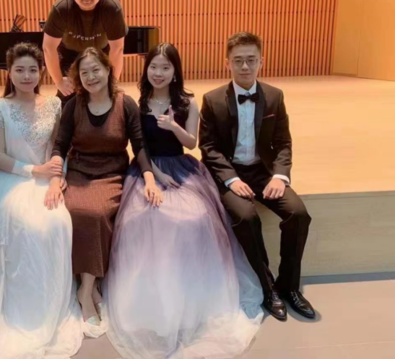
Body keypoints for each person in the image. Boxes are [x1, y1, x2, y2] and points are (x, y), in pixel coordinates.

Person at [104, 43, 263, 359]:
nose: (158, 73)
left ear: (175, 71)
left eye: (166, 67)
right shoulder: (138, 103)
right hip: (148, 170)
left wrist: (173, 126)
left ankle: (191, 298)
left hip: (181, 167)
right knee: (142, 218)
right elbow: (137, 145)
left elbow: (191, 143)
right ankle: (151, 299)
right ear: (146, 70)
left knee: (195, 217)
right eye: (153, 66)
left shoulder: (187, 103)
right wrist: (155, 175)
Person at [199, 32, 316, 321]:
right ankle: (267, 288)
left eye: (251, 60)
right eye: (238, 60)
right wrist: (231, 179)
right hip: (230, 173)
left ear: (261, 61)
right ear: (227, 63)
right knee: (247, 217)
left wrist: (280, 176)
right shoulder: (212, 100)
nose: (245, 66)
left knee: (299, 215)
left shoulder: (274, 96)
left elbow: (283, 143)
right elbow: (209, 148)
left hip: (264, 172)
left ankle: (289, 286)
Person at [48, 47, 162, 336]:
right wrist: (55, 177)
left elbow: (139, 146)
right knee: (76, 211)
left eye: (95, 70)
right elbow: (60, 145)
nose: (90, 77)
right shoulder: (73, 105)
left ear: (108, 70)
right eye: (84, 72)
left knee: (97, 214)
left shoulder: (125, 104)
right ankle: (90, 286)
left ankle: (85, 290)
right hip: (79, 172)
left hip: (111, 174)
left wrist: (149, 178)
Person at [0, 43, 83, 358]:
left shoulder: (53, 104)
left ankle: (52, 303)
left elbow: (58, 148)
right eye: (19, 70)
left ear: (41, 71)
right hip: (11, 178)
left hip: (47, 177)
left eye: (32, 69)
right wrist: (33, 171)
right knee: (25, 225)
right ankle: (24, 310)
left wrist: (55, 179)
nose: (26, 76)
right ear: (9, 72)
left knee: (57, 221)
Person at [43, 0, 128, 107]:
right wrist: (59, 81)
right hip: (70, 56)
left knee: (104, 100)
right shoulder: (62, 8)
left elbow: (117, 49)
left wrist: (111, 84)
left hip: (101, 54)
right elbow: (48, 47)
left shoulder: (111, 8)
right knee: (68, 103)